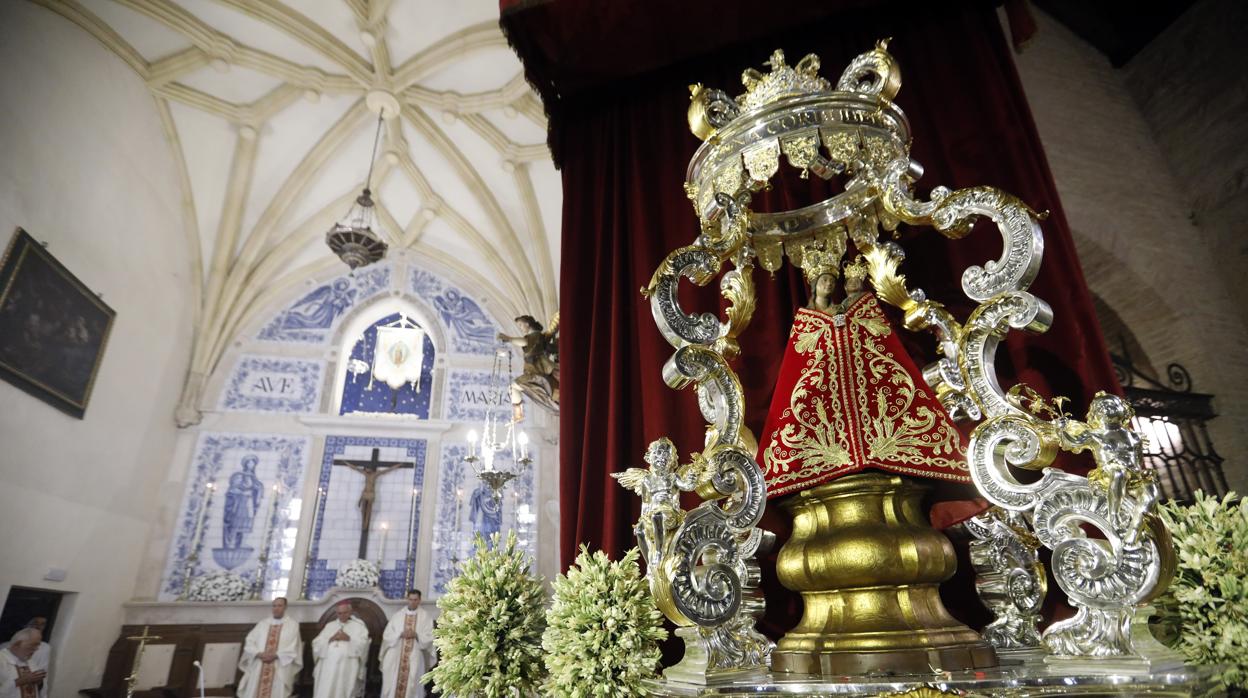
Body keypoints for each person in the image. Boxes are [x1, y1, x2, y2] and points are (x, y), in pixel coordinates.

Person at [758, 254, 970, 498]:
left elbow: (876, 339)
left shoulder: (852, 308)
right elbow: (799, 365)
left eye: (830, 280)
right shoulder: (807, 319)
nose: (828, 285)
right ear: (815, 285)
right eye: (823, 280)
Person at [237, 598, 302, 698]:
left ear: (285, 607)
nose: (276, 608)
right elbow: (250, 641)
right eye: (274, 606)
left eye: (279, 606)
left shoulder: (292, 625)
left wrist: (276, 655)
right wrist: (258, 654)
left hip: (280, 664)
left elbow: (293, 646)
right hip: (259, 661)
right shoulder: (263, 624)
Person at [379, 590, 435, 698]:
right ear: (407, 599)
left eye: (415, 600)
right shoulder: (397, 615)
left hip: (415, 654)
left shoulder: (425, 617)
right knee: (392, 682)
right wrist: (400, 634)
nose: (413, 602)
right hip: (396, 654)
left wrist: (417, 635)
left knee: (413, 681)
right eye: (410, 599)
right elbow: (387, 635)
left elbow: (430, 637)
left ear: (419, 600)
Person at [311, 601, 370, 698]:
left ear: (350, 612)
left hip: (348, 665)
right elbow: (316, 643)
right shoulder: (330, 626)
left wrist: (349, 638)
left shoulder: (359, 626)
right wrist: (331, 638)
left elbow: (364, 644)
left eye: (345, 613)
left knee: (342, 690)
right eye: (339, 613)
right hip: (328, 664)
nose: (342, 615)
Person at [0, 629, 47, 698]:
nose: (37, 649)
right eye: (33, 645)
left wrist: (39, 683)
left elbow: (39, 691)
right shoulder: (1, 659)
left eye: (38, 645)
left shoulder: (30, 661)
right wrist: (19, 681)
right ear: (17, 644)